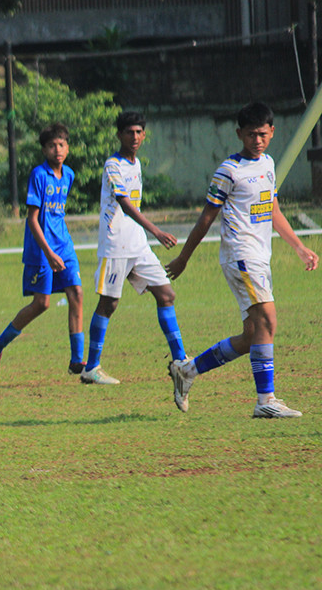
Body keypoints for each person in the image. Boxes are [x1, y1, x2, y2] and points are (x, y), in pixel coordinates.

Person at [165, 102, 319, 417]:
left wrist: (299, 247)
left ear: (272, 132)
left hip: (261, 256)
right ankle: (266, 401)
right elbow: (206, 219)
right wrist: (183, 258)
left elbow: (272, 210)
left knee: (253, 335)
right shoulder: (229, 170)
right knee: (268, 321)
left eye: (262, 134)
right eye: (250, 135)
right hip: (241, 256)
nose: (257, 140)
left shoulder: (268, 164)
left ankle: (187, 371)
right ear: (239, 134)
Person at [80, 111, 187, 388]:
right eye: (130, 132)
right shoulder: (112, 165)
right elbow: (126, 204)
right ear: (119, 134)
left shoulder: (136, 163)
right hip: (116, 245)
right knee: (108, 304)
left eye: (140, 132)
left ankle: (180, 360)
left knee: (166, 293)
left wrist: (147, 234)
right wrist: (156, 230)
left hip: (138, 245)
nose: (136, 137)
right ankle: (91, 368)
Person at [0, 122, 84, 378]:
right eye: (51, 145)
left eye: (61, 144)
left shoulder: (69, 175)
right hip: (42, 248)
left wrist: (59, 249)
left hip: (64, 244)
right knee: (42, 304)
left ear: (68, 147)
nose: (57, 149)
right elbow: (32, 219)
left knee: (77, 293)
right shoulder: (39, 175)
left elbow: (57, 213)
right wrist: (49, 253)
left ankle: (77, 360)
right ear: (44, 150)